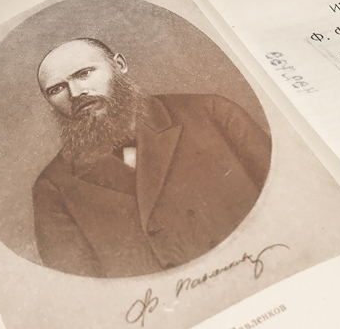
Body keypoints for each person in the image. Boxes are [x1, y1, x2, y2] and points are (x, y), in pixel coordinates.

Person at [32, 38, 271, 278]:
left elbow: (284, 195)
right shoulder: (53, 186)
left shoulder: (213, 112)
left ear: (119, 65)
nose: (75, 93)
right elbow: (84, 286)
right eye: (57, 89)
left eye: (84, 74)